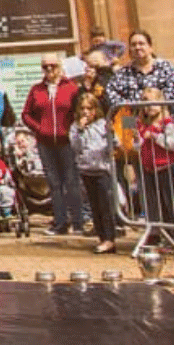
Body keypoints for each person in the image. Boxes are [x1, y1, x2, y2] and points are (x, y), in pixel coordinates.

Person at [22, 53, 85, 237]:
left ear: (60, 67)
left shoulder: (71, 88)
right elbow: (26, 114)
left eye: (53, 66)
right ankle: (60, 223)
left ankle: (78, 223)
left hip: (67, 143)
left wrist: (73, 129)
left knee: (71, 183)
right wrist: (39, 128)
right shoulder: (36, 89)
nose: (49, 70)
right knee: (54, 184)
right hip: (45, 143)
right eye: (45, 67)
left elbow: (80, 111)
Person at [71, 92, 118, 254]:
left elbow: (114, 143)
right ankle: (102, 237)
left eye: (89, 108)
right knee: (94, 206)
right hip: (86, 170)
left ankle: (109, 238)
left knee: (105, 206)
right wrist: (79, 129)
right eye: (82, 108)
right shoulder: (75, 127)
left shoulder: (102, 124)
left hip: (102, 170)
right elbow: (75, 147)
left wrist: (112, 135)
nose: (85, 112)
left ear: (95, 109)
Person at [135, 87, 174, 242]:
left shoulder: (167, 122)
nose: (150, 107)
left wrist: (155, 136)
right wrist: (136, 140)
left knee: (169, 202)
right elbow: (134, 144)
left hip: (165, 166)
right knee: (151, 202)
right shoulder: (138, 122)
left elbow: (173, 144)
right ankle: (154, 234)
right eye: (146, 103)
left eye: (154, 103)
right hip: (147, 167)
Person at [108, 29, 174, 104]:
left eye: (141, 44)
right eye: (133, 45)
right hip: (133, 114)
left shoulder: (165, 67)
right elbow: (111, 92)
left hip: (163, 113)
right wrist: (129, 107)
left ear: (150, 48)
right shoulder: (123, 73)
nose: (137, 47)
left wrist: (156, 103)